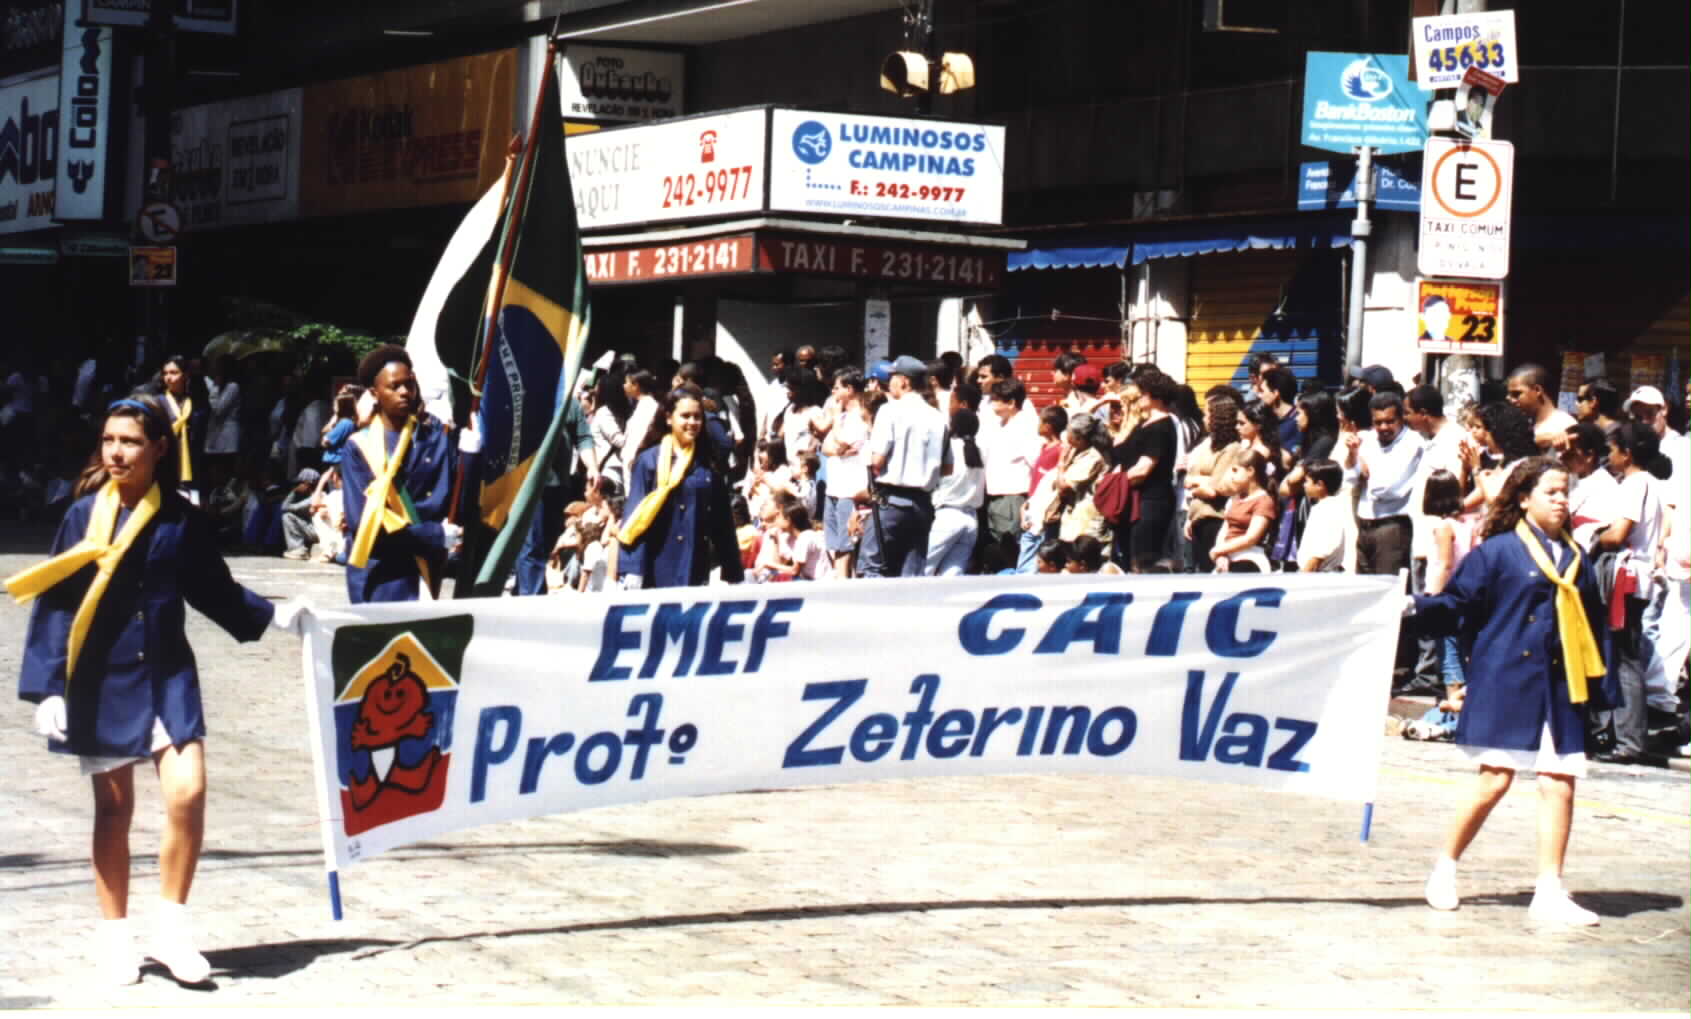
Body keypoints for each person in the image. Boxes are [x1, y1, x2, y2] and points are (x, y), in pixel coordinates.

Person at [8, 394, 297, 985]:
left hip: (167, 673)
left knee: (188, 793)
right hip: (100, 676)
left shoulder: (181, 521)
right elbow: (58, 601)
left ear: (159, 450)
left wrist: (276, 616)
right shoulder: (81, 515)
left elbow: (212, 590)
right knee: (113, 810)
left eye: (132, 442)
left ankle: (171, 929)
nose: (117, 452)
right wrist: (49, 690)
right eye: (110, 440)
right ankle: (116, 937)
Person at [1411, 457, 1618, 926]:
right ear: (1524, 499)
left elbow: (1593, 624)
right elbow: (1458, 606)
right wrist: (1413, 607)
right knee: (1495, 780)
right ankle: (1444, 868)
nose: (1562, 500)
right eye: (1551, 492)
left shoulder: (1576, 559)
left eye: (1566, 492)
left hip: (1561, 682)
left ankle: (1549, 889)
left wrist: (1599, 687)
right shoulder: (1498, 552)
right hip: (1507, 678)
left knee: (1559, 782)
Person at [340, 346, 466, 604]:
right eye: (394, 386)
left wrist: (472, 454)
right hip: (379, 575)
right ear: (375, 393)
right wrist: (434, 535)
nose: (405, 392)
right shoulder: (358, 447)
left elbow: (454, 495)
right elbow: (363, 523)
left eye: (409, 384)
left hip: (423, 569)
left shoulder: (433, 438)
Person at [618, 386, 745, 589]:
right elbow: (635, 516)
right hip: (655, 567)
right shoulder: (649, 461)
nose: (692, 423)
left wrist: (733, 572)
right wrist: (633, 568)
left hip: (694, 567)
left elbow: (723, 524)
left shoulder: (708, 464)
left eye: (697, 417)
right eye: (685, 416)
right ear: (669, 418)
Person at [1595, 422, 1667, 763]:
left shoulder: (1635, 484)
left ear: (1627, 453)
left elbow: (1620, 531)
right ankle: (1622, 733)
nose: (1609, 456)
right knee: (1624, 655)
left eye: (1612, 450)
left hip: (1627, 576)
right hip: (1638, 576)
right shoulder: (1650, 483)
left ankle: (1628, 740)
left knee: (1624, 659)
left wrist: (1594, 537)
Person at [859, 356, 950, 579]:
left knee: (872, 566)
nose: (889, 382)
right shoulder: (938, 417)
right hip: (922, 504)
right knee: (912, 573)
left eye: (892, 377)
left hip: (892, 500)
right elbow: (948, 468)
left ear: (904, 382)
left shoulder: (890, 411)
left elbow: (877, 460)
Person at [1115, 369, 1180, 571]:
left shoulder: (1161, 427)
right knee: (1128, 557)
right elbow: (1119, 451)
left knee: (1142, 560)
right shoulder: (1143, 424)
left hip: (1151, 503)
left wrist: (1115, 484)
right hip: (1134, 501)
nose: (1139, 396)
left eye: (1143, 392)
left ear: (1156, 396)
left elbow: (1144, 469)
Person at [1421, 469, 1475, 699]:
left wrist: (1433, 597)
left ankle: (1454, 705)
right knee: (1463, 651)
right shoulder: (1466, 523)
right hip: (1466, 592)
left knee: (1449, 654)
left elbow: (1444, 563)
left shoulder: (1444, 527)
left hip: (1447, 594)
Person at [1185, 390, 1244, 573]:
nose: (1204, 418)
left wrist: (1198, 486)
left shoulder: (1231, 449)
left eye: (1207, 414)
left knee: (1209, 569)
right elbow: (1189, 478)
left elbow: (1215, 489)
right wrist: (1202, 481)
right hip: (1198, 517)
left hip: (1214, 519)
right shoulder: (1208, 446)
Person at [925, 408, 986, 576]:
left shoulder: (949, 447)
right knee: (953, 574)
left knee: (924, 569)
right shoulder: (980, 450)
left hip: (947, 514)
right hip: (971, 518)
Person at [1210, 449, 1277, 573]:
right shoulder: (1234, 499)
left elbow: (1251, 538)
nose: (1232, 476)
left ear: (1250, 471)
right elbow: (1225, 529)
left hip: (1249, 558)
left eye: (1235, 470)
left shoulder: (1264, 501)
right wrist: (1221, 554)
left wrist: (1219, 550)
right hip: (1227, 555)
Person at [151, 356, 205, 503]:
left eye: (174, 372)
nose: (168, 377)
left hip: (191, 457)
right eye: (165, 373)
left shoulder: (194, 401)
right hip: (167, 457)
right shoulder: (158, 401)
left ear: (185, 375)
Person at [1562, 422, 1619, 551]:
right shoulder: (1570, 478)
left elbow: (1592, 535)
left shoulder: (1605, 487)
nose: (1563, 458)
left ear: (1589, 456)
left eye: (1570, 454)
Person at [1296, 459, 1353, 573]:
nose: (1304, 485)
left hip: (1320, 574)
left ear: (1319, 485)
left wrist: (1305, 574)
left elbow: (1322, 551)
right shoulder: (1322, 507)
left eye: (1307, 481)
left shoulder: (1329, 509)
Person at [1506, 363, 1577, 452]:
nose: (1511, 400)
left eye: (1516, 394)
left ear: (1537, 390)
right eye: (1509, 395)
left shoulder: (1564, 424)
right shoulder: (1524, 424)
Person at [201, 356, 241, 478]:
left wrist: (212, 389)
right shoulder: (219, 386)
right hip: (215, 434)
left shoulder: (232, 387)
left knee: (224, 472)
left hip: (227, 438)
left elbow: (219, 409)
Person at [280, 468, 322, 560]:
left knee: (287, 516)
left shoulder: (314, 498)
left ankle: (299, 550)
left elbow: (284, 507)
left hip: (318, 532)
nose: (298, 485)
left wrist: (293, 492)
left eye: (300, 483)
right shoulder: (310, 496)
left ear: (307, 484)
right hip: (314, 529)